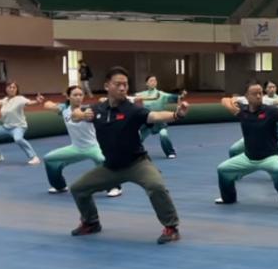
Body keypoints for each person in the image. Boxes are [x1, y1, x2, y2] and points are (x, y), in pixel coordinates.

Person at [68, 67, 190, 244]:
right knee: (78, 189)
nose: (122, 88)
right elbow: (74, 114)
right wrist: (81, 114)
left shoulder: (133, 110)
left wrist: (176, 114)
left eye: (125, 84)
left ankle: (171, 228)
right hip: (111, 167)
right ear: (107, 86)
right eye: (118, 84)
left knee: (156, 186)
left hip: (137, 164)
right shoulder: (97, 109)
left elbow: (155, 116)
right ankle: (91, 223)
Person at [215, 83, 278, 209]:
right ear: (247, 96)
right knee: (223, 169)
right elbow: (224, 100)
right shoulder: (242, 111)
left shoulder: (270, 111)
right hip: (248, 158)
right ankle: (228, 198)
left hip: (269, 157)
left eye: (260, 93)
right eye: (255, 94)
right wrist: (233, 101)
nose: (259, 96)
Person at [40, 86, 120, 197]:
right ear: (68, 96)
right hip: (76, 148)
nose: (78, 97)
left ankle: (115, 187)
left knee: (102, 160)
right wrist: (53, 105)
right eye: (75, 95)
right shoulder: (64, 110)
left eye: (81, 95)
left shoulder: (89, 110)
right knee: (49, 159)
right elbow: (47, 104)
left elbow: (99, 108)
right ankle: (60, 186)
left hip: (93, 147)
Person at [228, 81, 278, 166]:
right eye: (270, 87)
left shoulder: (276, 99)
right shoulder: (258, 99)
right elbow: (235, 99)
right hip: (260, 129)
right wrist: (233, 102)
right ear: (265, 89)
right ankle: (240, 166)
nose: (272, 89)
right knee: (234, 149)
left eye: (274, 87)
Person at [0, 81, 43, 165]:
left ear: (17, 89)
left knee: (18, 139)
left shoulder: (20, 99)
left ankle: (34, 157)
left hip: (18, 127)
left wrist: (37, 101)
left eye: (14, 87)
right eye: (10, 87)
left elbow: (29, 103)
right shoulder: (5, 100)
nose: (12, 89)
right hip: (6, 127)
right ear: (6, 89)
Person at [134, 75, 184, 159]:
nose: (153, 82)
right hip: (147, 123)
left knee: (163, 134)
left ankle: (170, 152)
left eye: (155, 81)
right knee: (138, 138)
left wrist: (181, 97)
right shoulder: (140, 95)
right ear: (146, 83)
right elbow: (130, 101)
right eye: (151, 81)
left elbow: (177, 98)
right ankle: (134, 153)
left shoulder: (161, 94)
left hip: (160, 122)